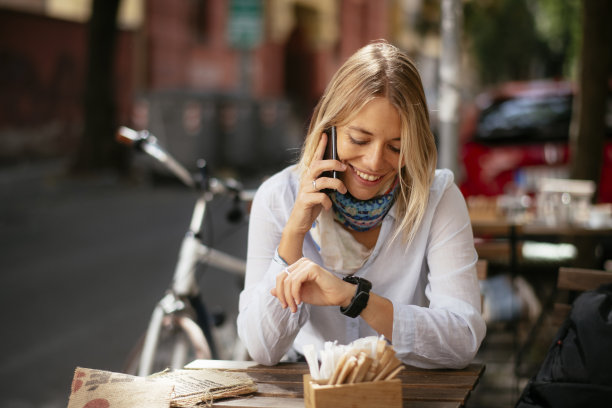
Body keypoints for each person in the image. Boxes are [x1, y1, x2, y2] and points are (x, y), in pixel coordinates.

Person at [237, 40, 486, 369]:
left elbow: (463, 338)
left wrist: (355, 298)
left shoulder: (437, 198)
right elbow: (261, 349)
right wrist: (295, 231)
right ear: (330, 127)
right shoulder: (278, 197)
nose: (373, 161)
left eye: (396, 147)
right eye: (359, 139)